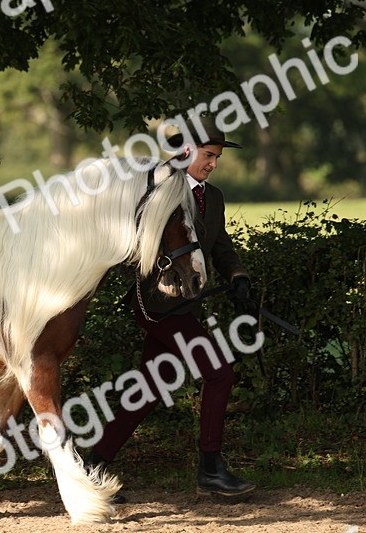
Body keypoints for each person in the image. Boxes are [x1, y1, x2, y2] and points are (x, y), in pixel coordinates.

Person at [88, 118, 257, 499]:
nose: (213, 163)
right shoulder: (159, 192)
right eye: (208, 155)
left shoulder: (212, 198)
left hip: (189, 306)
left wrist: (238, 274)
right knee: (220, 375)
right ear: (185, 151)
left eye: (216, 157)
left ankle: (93, 465)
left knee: (147, 389)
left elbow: (220, 244)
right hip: (158, 306)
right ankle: (211, 469)